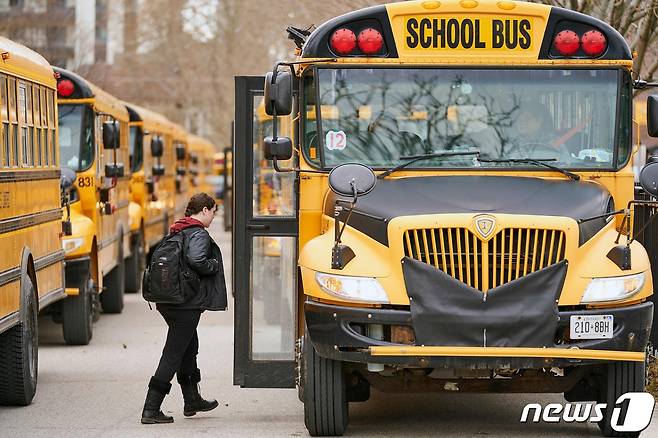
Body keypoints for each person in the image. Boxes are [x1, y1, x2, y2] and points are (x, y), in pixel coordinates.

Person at [141, 193, 228, 424]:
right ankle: (151, 409)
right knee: (173, 353)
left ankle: (192, 400)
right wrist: (213, 265)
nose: (213, 217)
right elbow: (197, 259)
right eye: (213, 212)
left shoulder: (178, 229)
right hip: (185, 305)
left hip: (169, 301)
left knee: (189, 347)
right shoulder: (198, 233)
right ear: (206, 210)